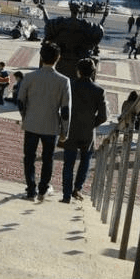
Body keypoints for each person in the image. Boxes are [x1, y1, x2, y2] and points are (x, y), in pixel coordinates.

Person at [18, 42, 71, 202]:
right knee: (48, 158)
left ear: (41, 57)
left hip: (32, 122)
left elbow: (20, 101)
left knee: (29, 157)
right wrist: (65, 132)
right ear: (58, 58)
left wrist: (25, 116)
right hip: (52, 125)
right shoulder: (63, 81)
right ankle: (43, 189)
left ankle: (30, 190)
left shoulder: (29, 77)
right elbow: (66, 110)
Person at [59, 58, 106, 203]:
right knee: (85, 161)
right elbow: (103, 116)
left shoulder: (70, 86)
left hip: (71, 130)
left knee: (68, 163)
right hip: (87, 132)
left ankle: (66, 195)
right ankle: (77, 188)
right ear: (93, 73)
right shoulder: (99, 90)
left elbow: (63, 107)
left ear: (78, 71)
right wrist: (92, 124)